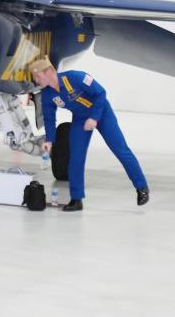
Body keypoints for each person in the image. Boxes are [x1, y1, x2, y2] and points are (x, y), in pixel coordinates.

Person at [29, 58, 148, 212]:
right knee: (76, 157)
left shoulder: (76, 77)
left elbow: (100, 93)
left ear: (50, 72)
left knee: (120, 150)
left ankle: (141, 187)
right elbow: (49, 118)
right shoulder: (47, 94)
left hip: (102, 113)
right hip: (80, 119)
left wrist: (94, 118)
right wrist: (50, 140)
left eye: (38, 76)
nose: (36, 80)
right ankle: (76, 199)